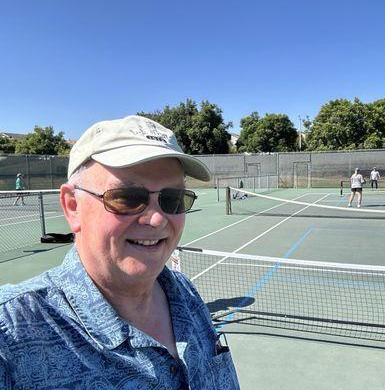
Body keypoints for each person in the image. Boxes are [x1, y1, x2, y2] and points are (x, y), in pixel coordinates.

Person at [0, 116, 240, 389]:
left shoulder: (185, 293)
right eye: (127, 198)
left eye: (172, 199)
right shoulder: (11, 336)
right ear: (72, 207)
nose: (157, 220)